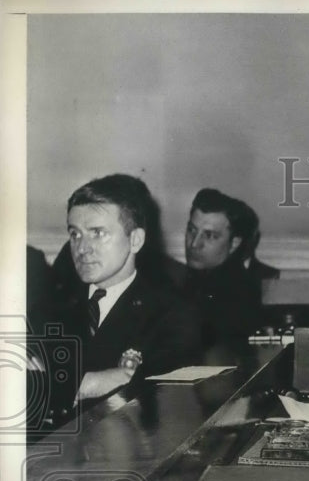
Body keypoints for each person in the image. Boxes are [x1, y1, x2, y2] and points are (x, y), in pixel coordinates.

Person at [29, 174, 201, 427]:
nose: (82, 248)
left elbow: (154, 394)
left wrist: (51, 384)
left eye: (98, 233)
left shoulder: (173, 314)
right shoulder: (49, 307)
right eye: (75, 234)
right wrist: (91, 383)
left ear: (135, 240)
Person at [167, 188, 274, 349]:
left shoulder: (240, 295)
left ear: (234, 244)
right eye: (191, 230)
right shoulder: (182, 280)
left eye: (210, 236)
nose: (194, 244)